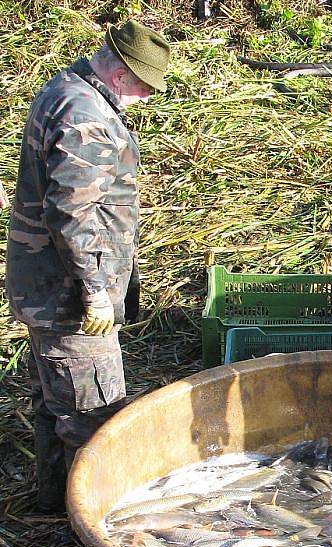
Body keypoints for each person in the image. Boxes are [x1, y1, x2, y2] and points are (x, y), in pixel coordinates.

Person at [5, 20, 170, 514]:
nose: (143, 98)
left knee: (54, 406)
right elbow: (73, 213)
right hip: (68, 301)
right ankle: (96, 533)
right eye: (143, 87)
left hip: (43, 289)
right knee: (93, 418)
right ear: (121, 75)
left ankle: (54, 507)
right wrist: (96, 291)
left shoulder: (64, 87)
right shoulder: (88, 116)